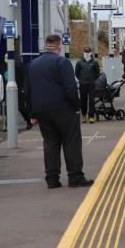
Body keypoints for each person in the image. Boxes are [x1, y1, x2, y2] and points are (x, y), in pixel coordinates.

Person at [27, 34, 93, 189]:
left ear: (45, 46)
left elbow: (29, 91)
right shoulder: (62, 62)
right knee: (71, 143)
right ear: (59, 46)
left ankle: (52, 179)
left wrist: (32, 113)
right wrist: (77, 107)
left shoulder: (33, 64)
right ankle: (75, 177)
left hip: (42, 111)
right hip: (63, 110)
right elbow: (70, 87)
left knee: (50, 144)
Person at [75, 46, 100, 124]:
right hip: (82, 84)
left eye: (88, 52)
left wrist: (93, 80)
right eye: (85, 52)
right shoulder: (79, 62)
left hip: (91, 84)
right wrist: (81, 79)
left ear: (91, 53)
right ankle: (83, 115)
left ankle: (91, 116)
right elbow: (76, 73)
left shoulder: (95, 62)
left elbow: (97, 73)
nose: (86, 54)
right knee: (83, 100)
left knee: (91, 100)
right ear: (83, 53)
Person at [15, 57, 33, 130]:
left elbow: (25, 78)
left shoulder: (20, 66)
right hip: (10, 89)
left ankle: (29, 120)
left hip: (20, 89)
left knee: (21, 107)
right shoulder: (5, 67)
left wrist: (23, 88)